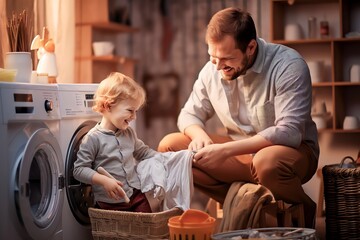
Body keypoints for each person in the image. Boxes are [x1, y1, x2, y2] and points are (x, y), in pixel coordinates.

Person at [158, 7, 319, 228]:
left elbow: (289, 132)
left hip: (290, 153)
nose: (217, 66)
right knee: (169, 147)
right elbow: (188, 115)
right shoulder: (212, 69)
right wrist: (199, 135)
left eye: (226, 58)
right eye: (212, 56)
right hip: (240, 156)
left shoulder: (288, 65)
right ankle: (244, 200)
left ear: (250, 47)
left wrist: (224, 150)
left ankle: (304, 207)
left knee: (266, 162)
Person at [73, 72, 156, 212]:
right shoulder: (93, 138)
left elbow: (143, 152)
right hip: (109, 203)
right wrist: (103, 181)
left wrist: (166, 159)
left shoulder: (128, 133)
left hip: (136, 195)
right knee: (117, 235)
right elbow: (79, 170)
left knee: (146, 230)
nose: (134, 117)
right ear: (108, 106)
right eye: (130, 110)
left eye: (136, 111)